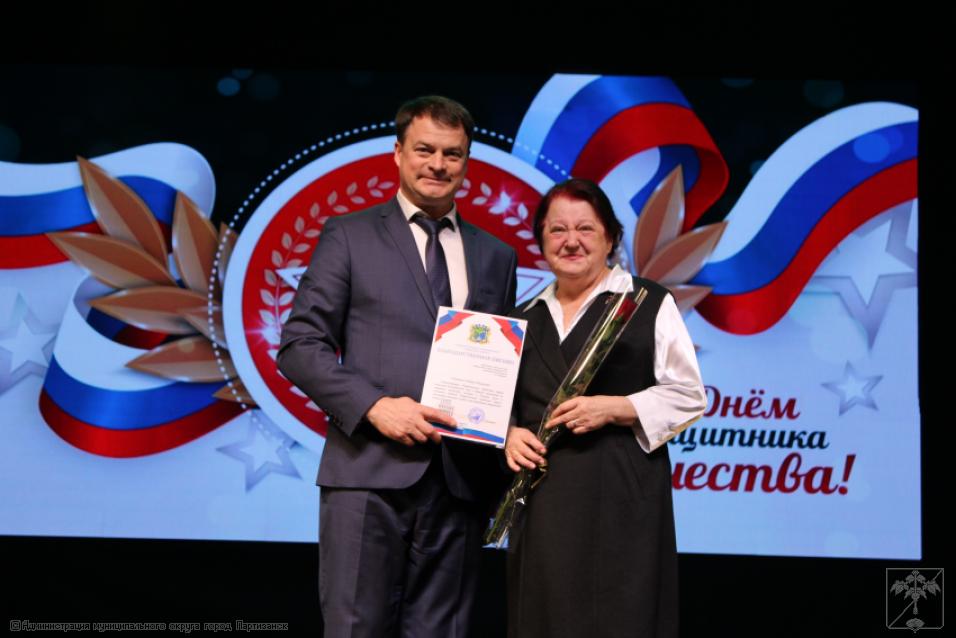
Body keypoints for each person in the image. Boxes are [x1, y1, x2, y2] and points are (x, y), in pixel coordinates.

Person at [277, 96, 518, 638]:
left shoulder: (497, 255)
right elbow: (300, 345)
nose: (438, 164)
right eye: (424, 150)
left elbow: (500, 365)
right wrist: (375, 406)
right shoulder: (350, 234)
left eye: (452, 154)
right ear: (397, 153)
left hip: (460, 482)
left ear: (467, 161)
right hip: (367, 472)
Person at [504, 178, 706, 638]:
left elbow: (689, 394)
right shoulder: (520, 317)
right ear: (541, 240)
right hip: (544, 500)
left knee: (622, 617)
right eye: (557, 230)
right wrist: (508, 434)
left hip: (622, 496)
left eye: (585, 229)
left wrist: (616, 407)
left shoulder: (647, 302)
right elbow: (500, 406)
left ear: (610, 238)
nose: (570, 241)